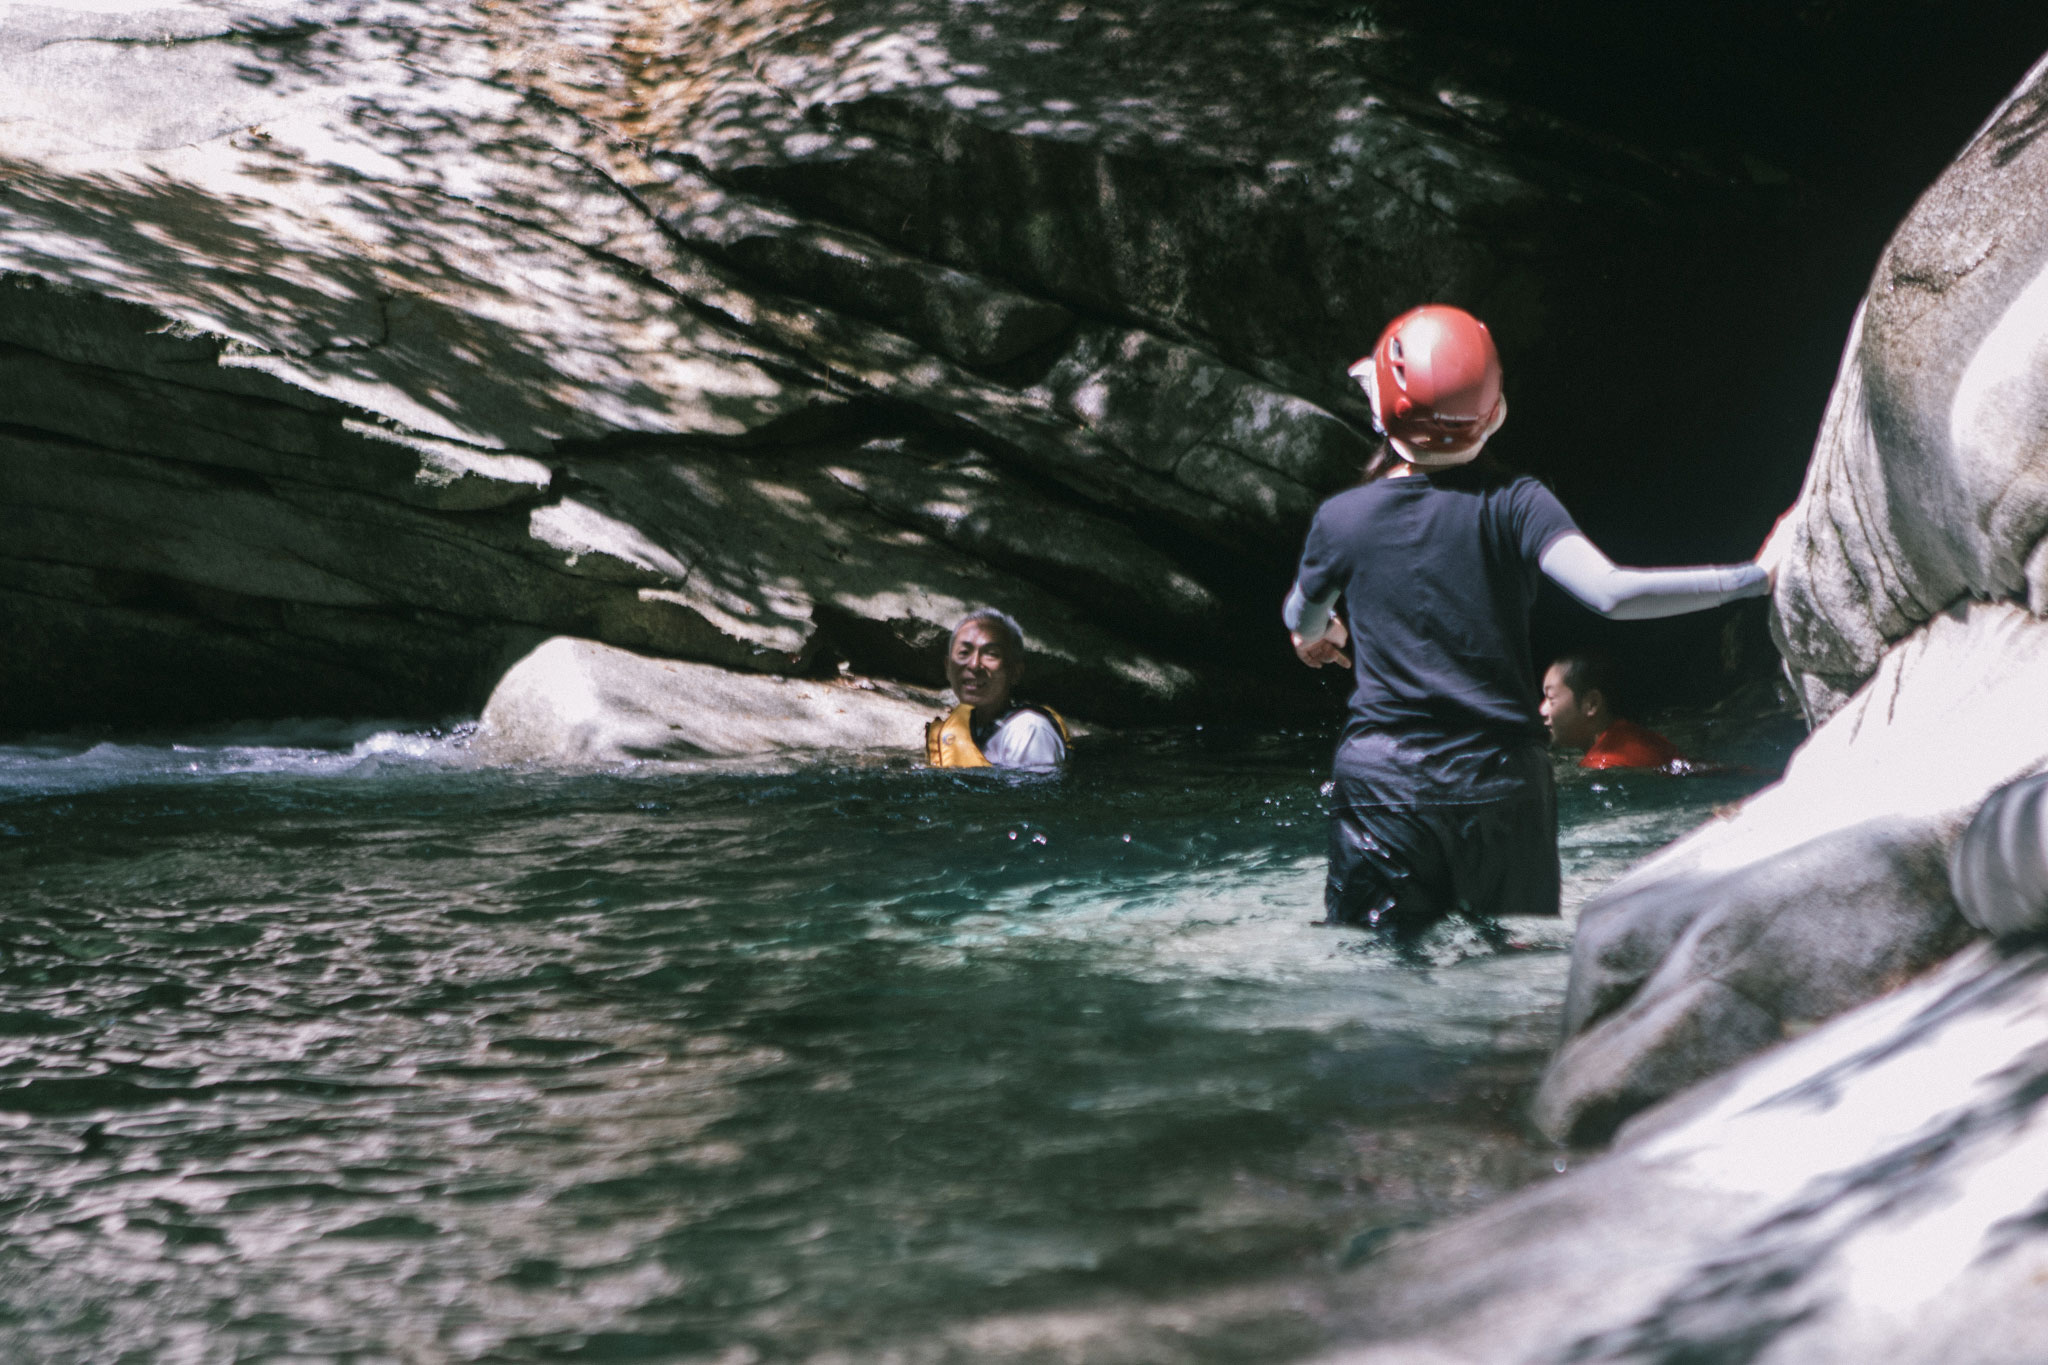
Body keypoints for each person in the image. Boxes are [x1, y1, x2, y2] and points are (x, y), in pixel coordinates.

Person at [1283, 304, 1772, 935]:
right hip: (1500, 780)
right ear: (1490, 415)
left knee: (1380, 969)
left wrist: (1315, 635)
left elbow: (1302, 613)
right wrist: (1753, 577)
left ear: (1383, 408)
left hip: (1385, 782)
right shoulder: (1517, 503)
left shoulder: (1343, 520)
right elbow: (1612, 594)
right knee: (1502, 975)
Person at [925, 608, 1069, 771]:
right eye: (964, 652)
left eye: (991, 654)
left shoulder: (1029, 730)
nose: (974, 665)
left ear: (1015, 672)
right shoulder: (968, 726)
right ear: (948, 667)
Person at [1540, 651, 1690, 771]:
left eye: (1551, 699)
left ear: (1592, 704)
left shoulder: (1603, 765)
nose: (1542, 710)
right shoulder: (1631, 734)